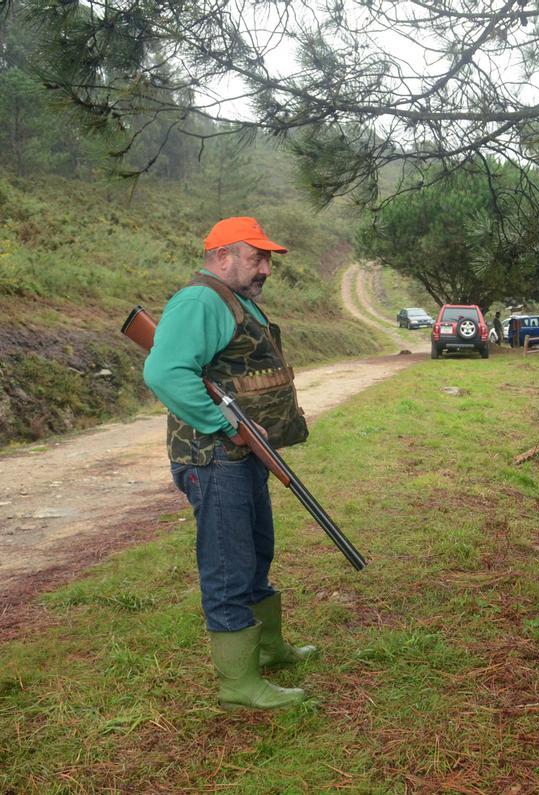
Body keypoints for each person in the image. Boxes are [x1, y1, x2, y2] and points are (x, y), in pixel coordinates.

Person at [143, 217, 315, 710]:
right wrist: (227, 427)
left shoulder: (234, 302)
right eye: (256, 257)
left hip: (241, 453)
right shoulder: (201, 301)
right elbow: (164, 370)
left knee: (258, 549)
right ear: (222, 256)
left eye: (267, 259)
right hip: (214, 455)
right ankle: (239, 684)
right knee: (228, 564)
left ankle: (267, 648)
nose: (265, 268)